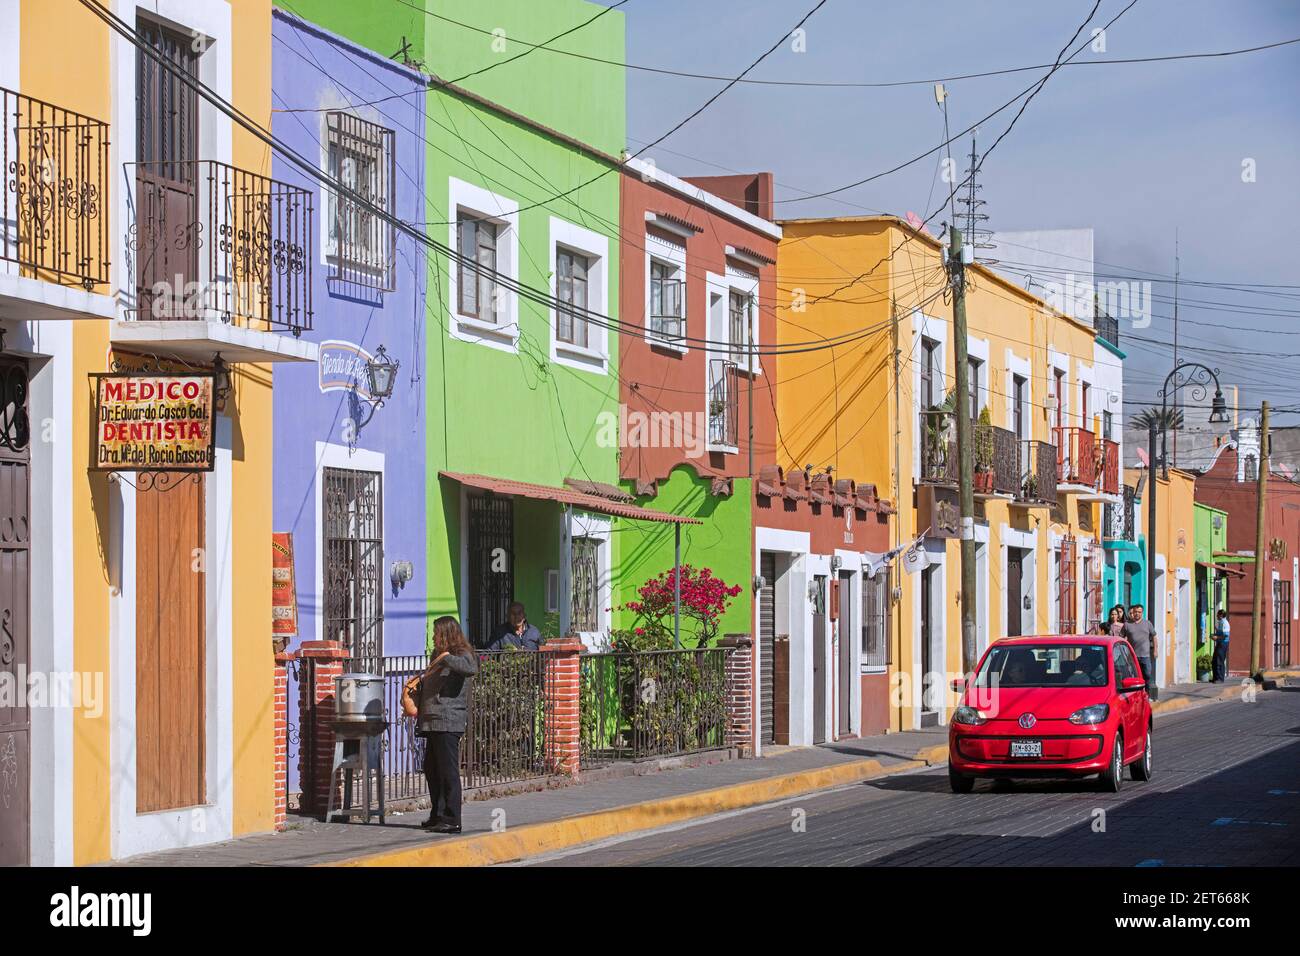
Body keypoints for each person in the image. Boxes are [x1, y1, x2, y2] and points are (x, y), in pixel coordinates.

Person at [413, 616, 478, 833]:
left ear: (446, 633)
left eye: (436, 632)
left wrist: (445, 658)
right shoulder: (437, 656)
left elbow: (471, 668)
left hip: (448, 721)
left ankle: (452, 819)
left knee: (448, 771)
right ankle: (438, 814)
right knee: (432, 769)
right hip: (432, 721)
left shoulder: (460, 654)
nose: (433, 636)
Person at [1122, 603, 1159, 699]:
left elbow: (1154, 636)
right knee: (1134, 677)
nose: (1137, 614)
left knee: (1147, 675)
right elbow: (1121, 638)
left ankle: (1146, 694)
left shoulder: (1147, 623)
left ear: (1142, 613)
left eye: (1139, 612)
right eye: (1135, 612)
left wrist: (1155, 650)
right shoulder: (1127, 625)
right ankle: (1136, 695)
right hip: (1132, 656)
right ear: (1132, 613)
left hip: (1145, 655)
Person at [1212, 609, 1231, 683]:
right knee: (1214, 661)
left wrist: (1217, 637)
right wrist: (1215, 634)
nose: (1216, 615)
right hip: (1219, 643)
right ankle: (1215, 678)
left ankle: (1220, 679)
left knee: (1219, 661)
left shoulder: (1225, 623)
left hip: (1223, 644)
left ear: (1221, 615)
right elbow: (1221, 633)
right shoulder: (1220, 622)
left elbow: (1225, 636)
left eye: (1217, 614)